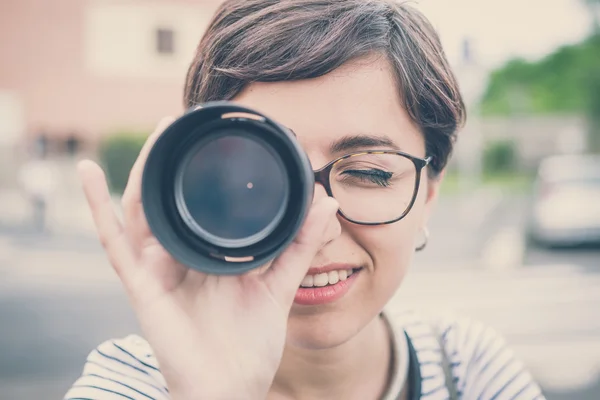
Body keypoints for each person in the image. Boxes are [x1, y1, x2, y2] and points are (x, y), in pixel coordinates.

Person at [65, 1, 545, 399]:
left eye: (368, 172)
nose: (313, 228)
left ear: (428, 197)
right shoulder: (127, 383)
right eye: (261, 176)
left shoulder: (470, 371)